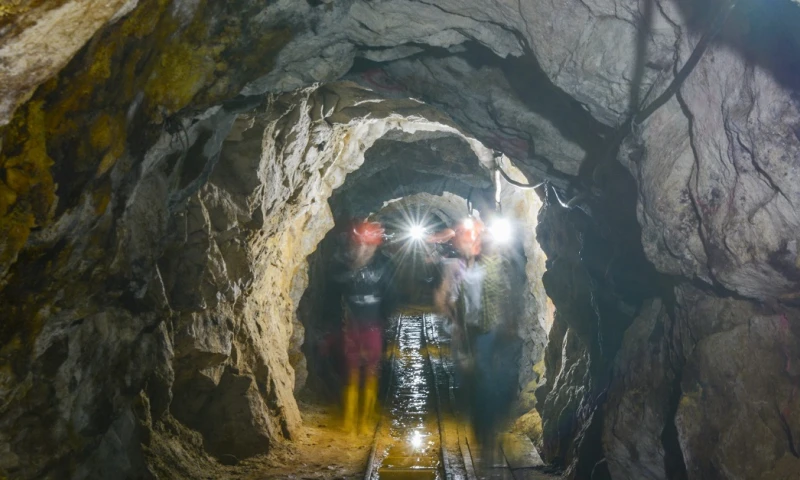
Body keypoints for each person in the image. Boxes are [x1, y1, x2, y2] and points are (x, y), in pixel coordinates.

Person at [431, 216, 522, 471]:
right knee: (471, 385)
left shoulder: (493, 265)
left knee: (486, 384)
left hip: (490, 335)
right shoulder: (458, 267)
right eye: (463, 242)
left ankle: (489, 435)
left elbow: (506, 298)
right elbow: (443, 299)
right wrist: (453, 316)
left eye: (470, 241)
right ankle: (484, 436)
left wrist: (508, 328)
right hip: (469, 334)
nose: (467, 246)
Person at [330, 219, 392, 434]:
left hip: (373, 327)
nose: (364, 249)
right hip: (351, 328)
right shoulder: (341, 266)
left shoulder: (383, 267)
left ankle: (364, 419)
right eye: (360, 244)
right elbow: (331, 295)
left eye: (369, 245)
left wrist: (385, 325)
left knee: (371, 373)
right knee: (352, 374)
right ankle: (349, 420)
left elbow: (391, 298)